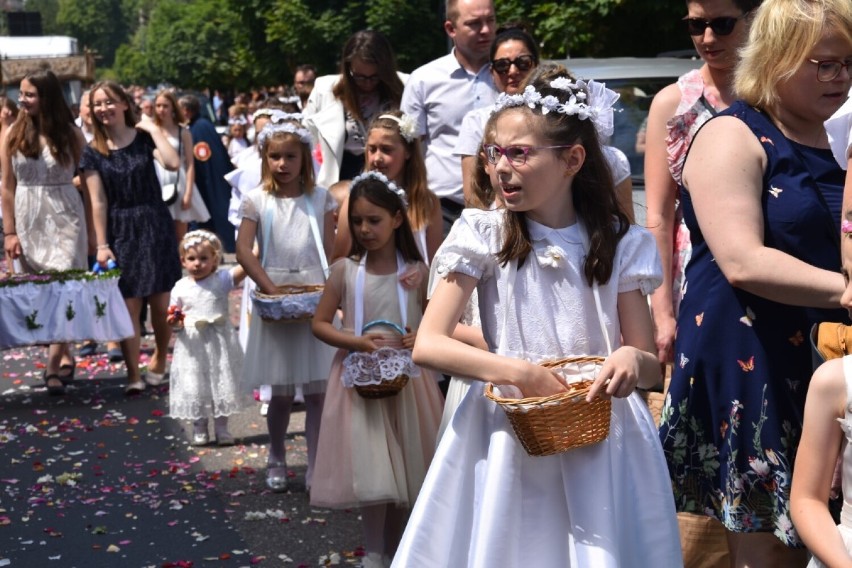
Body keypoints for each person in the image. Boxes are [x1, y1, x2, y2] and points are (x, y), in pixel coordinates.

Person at [392, 69, 681, 566]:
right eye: (493, 153)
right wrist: (520, 372)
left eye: (519, 153)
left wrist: (633, 360)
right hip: (507, 431)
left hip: (599, 434)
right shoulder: (483, 234)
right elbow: (429, 343)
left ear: (572, 159)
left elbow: (649, 365)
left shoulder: (620, 243)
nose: (501, 168)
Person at [658, 0, 852, 564]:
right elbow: (742, 260)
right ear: (776, 60)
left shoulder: (840, 140)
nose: (840, 77)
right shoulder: (731, 135)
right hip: (753, 360)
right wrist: (844, 292)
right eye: (824, 64)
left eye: (847, 64)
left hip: (826, 358)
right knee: (770, 550)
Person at [310, 171, 444, 568]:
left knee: (405, 467)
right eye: (357, 221)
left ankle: (401, 548)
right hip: (360, 384)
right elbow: (319, 324)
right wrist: (356, 341)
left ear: (397, 219)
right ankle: (373, 551)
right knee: (373, 473)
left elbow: (437, 325)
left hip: (409, 388)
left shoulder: (417, 273)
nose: (365, 229)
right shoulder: (345, 272)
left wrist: (419, 336)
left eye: (374, 220)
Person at [645, 0, 762, 365]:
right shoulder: (674, 103)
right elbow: (659, 216)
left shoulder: (775, 95)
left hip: (770, 268)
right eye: (697, 25)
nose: (708, 38)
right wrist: (662, 311)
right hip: (697, 275)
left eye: (723, 24)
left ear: (754, 19)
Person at [235, 121, 337, 492]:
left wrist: (330, 291)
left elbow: (330, 249)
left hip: (313, 294)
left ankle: (315, 463)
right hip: (274, 294)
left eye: (290, 156)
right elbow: (244, 250)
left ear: (304, 159)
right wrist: (270, 287)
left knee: (316, 393)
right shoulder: (256, 200)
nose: (282, 164)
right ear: (264, 159)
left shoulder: (322, 198)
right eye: (274, 156)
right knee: (279, 392)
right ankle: (276, 454)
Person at [80, 80, 182, 394]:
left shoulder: (142, 139)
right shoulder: (92, 152)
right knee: (128, 305)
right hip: (120, 228)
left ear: (124, 104)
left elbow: (173, 162)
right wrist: (102, 244)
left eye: (109, 102)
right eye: (98, 104)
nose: (103, 109)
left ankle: (161, 359)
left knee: (161, 301)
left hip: (154, 221)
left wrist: (152, 129)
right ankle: (133, 374)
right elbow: (97, 200)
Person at [1, 70, 88, 396]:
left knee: (63, 287)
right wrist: (9, 233)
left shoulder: (70, 134)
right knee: (42, 293)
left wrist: (96, 233)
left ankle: (52, 365)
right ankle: (64, 349)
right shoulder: (11, 133)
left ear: (48, 97)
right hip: (28, 216)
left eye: (30, 95)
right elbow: (7, 187)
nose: (22, 100)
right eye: (21, 94)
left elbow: (90, 182)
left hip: (65, 215)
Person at [401, 0, 498, 231]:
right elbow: (409, 149)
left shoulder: (511, 75)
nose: (485, 30)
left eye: (490, 20)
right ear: (450, 29)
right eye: (474, 24)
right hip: (441, 213)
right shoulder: (424, 79)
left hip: (505, 209)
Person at [166, 229, 248, 446]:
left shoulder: (221, 280)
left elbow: (245, 267)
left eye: (204, 258)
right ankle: (199, 425)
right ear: (183, 261)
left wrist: (255, 249)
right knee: (196, 383)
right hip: (193, 345)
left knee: (221, 382)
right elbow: (174, 313)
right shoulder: (181, 287)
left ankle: (222, 428)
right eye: (191, 259)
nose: (197, 264)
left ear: (215, 259)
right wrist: (175, 321)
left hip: (219, 341)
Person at [330, 110, 442, 264]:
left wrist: (419, 276)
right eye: (372, 149)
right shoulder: (354, 200)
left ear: (408, 151)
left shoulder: (426, 202)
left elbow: (436, 264)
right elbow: (338, 260)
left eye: (386, 150)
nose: (377, 158)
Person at [303, 30, 406, 189]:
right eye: (359, 76)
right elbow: (305, 140)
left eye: (375, 76)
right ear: (348, 68)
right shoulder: (325, 89)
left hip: (390, 181)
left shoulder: (406, 85)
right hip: (339, 181)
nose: (367, 83)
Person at [179, 94, 235, 252]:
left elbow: (202, 157)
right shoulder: (199, 125)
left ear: (186, 111)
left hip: (209, 182)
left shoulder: (200, 128)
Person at [152, 90, 210, 244]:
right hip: (156, 181)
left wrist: (189, 193)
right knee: (158, 232)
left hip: (179, 182)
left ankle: (177, 266)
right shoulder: (151, 130)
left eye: (165, 106)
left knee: (180, 236)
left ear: (173, 108)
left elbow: (190, 163)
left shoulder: (183, 132)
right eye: (158, 105)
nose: (161, 110)